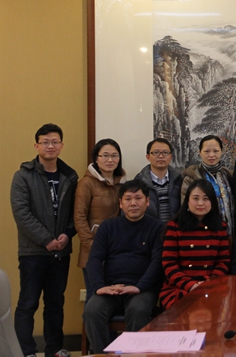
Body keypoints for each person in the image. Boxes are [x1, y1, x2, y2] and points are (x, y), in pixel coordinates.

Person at [10, 123, 78, 357]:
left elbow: (75, 211)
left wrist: (68, 234)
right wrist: (47, 239)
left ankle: (55, 349)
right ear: (36, 145)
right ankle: (25, 351)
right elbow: (21, 214)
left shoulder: (70, 176)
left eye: (55, 142)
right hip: (33, 252)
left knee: (55, 304)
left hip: (61, 251)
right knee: (28, 303)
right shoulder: (23, 176)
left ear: (61, 145)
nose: (50, 146)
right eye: (45, 142)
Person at [83, 179, 165, 353]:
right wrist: (99, 287)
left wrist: (139, 287)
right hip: (111, 287)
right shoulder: (108, 227)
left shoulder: (158, 227)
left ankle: (134, 354)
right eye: (128, 199)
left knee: (138, 310)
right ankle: (102, 355)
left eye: (138, 198)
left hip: (142, 289)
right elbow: (94, 260)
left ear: (147, 201)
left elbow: (158, 262)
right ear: (120, 203)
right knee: (92, 310)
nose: (133, 203)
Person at [160, 179, 230, 309]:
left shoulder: (220, 227)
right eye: (196, 198)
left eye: (206, 199)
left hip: (211, 285)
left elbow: (223, 262)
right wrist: (190, 285)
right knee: (186, 308)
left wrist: (207, 283)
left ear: (212, 202)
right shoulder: (175, 226)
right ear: (187, 201)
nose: (200, 203)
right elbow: (169, 263)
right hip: (179, 287)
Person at [75, 138, 127, 305]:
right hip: (93, 252)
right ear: (96, 159)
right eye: (105, 155)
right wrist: (93, 246)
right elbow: (79, 217)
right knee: (94, 299)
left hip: (116, 252)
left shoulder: (122, 184)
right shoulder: (86, 183)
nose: (110, 160)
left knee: (115, 300)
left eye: (114, 155)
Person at [181, 135, 234, 237]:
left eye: (216, 151)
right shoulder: (191, 178)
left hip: (229, 232)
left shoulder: (228, 175)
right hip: (202, 233)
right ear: (200, 152)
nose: (211, 155)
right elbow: (186, 208)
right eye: (207, 151)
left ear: (221, 152)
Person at [133, 138, 181, 222]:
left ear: (171, 157)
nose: (161, 156)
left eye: (165, 152)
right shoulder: (138, 182)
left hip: (175, 228)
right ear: (148, 157)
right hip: (149, 228)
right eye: (156, 152)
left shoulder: (179, 180)